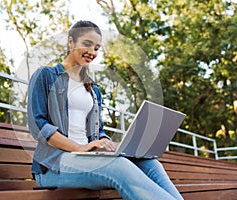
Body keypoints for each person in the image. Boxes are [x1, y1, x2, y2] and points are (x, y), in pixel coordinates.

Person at [27, 20, 184, 200]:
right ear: (71, 42)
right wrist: (79, 147)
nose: (92, 52)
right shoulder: (45, 76)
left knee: (150, 163)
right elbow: (38, 126)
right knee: (119, 167)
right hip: (54, 164)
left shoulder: (93, 90)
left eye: (96, 48)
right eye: (87, 44)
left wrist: (103, 142)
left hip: (86, 158)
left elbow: (98, 130)